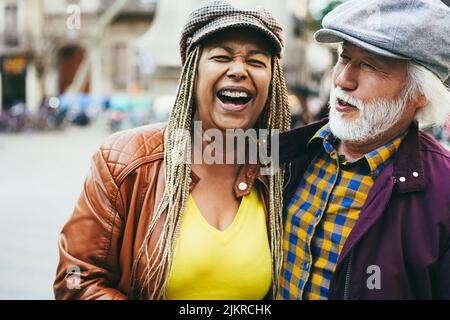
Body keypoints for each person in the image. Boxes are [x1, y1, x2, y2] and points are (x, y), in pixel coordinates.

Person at [54, 0, 291, 300]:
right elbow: (75, 278)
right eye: (221, 56)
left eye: (256, 61)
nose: (239, 70)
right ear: (193, 73)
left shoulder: (281, 173)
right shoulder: (124, 161)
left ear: (272, 81)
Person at [279, 0, 450, 299]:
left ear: (419, 92)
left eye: (370, 65)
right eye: (343, 58)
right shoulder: (291, 152)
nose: (343, 79)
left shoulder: (443, 192)